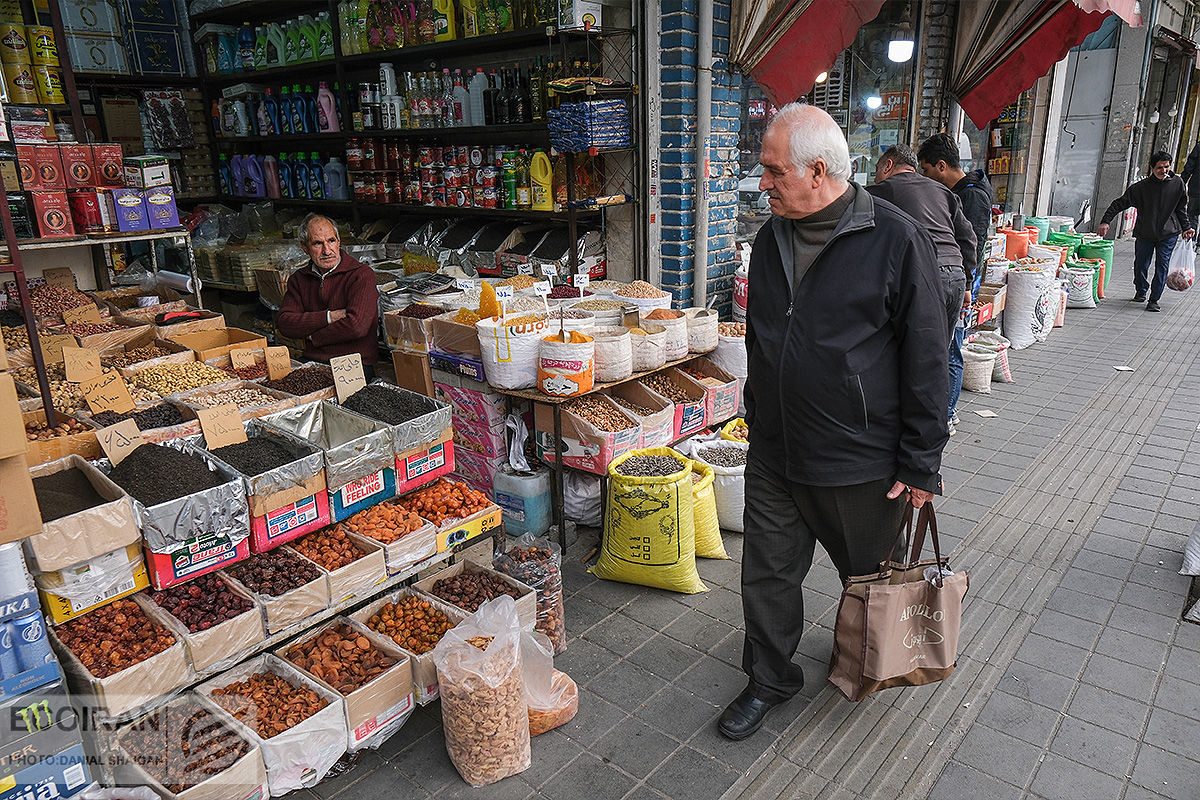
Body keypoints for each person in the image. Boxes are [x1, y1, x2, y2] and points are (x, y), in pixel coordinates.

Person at [719, 104, 949, 741]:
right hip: (774, 450)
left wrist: (921, 461)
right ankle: (768, 678)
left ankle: (870, 659)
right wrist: (754, 411)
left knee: (870, 580)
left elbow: (928, 354)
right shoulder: (770, 239)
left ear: (817, 170)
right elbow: (768, 336)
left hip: (860, 461)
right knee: (766, 575)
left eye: (772, 171)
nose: (761, 183)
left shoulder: (895, 239)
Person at [869, 143, 976, 435]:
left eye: (878, 170)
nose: (878, 177)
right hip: (954, 276)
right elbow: (967, 238)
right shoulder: (942, 192)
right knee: (939, 353)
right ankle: (940, 421)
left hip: (924, 274)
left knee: (912, 354)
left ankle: (916, 428)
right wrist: (966, 281)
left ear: (888, 165)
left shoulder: (885, 190)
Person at [918, 133, 993, 429]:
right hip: (958, 279)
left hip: (960, 281)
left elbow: (969, 244)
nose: (925, 177)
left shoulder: (970, 195)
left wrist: (965, 288)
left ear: (941, 165)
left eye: (925, 170)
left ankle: (947, 413)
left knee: (951, 347)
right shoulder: (964, 190)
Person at [277, 214, 381, 377]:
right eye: (317, 243)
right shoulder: (299, 279)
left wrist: (313, 336)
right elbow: (285, 323)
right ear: (305, 247)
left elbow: (356, 327)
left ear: (339, 242)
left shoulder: (361, 275)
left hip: (354, 364)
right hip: (313, 361)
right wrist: (328, 317)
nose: (327, 250)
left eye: (331, 241)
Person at [1098, 151, 1195, 311]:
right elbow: (1119, 203)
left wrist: (1186, 227)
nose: (1163, 170)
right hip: (1145, 232)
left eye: (1166, 167)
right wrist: (1105, 221)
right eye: (1159, 168)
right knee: (1141, 264)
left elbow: (1180, 209)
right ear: (1151, 168)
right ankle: (1141, 290)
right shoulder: (1140, 188)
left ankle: (1154, 299)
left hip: (1168, 233)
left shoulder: (1177, 183)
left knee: (1162, 266)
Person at [1180, 139, 1200, 230]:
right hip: (1196, 187)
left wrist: (1182, 181)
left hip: (1197, 187)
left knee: (1192, 214)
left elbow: (1189, 166)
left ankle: (1190, 240)